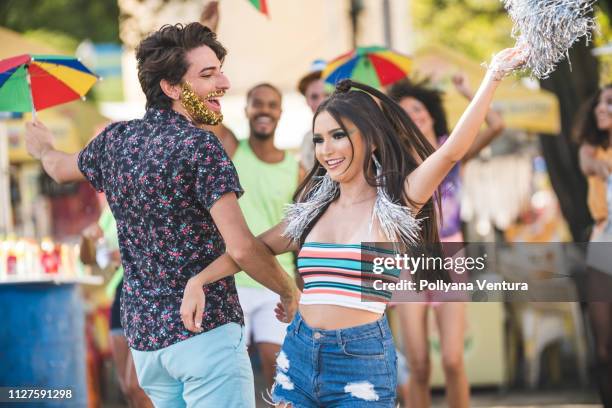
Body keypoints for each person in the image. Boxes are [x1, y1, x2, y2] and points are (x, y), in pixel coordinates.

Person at [180, 48, 525, 407]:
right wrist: (200, 279)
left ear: (370, 139)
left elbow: (451, 151)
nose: (326, 149)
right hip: (298, 353)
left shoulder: (396, 202)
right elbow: (252, 248)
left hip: (360, 362)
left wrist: (493, 76)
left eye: (338, 136)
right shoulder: (311, 210)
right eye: (319, 139)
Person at [24, 22, 298, 408]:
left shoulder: (114, 140)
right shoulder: (200, 147)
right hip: (206, 333)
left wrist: (42, 147)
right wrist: (289, 291)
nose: (224, 81)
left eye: (219, 69)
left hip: (147, 346)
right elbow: (242, 248)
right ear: (171, 88)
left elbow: (57, 167)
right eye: (208, 74)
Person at [388, 72, 505, 408]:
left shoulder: (451, 147)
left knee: (453, 360)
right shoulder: (391, 160)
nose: (414, 114)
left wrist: (469, 90)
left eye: (418, 107)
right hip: (407, 263)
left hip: (450, 257)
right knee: (419, 366)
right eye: (404, 110)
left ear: (430, 111)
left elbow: (496, 125)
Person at [232, 83, 304, 388]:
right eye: (257, 103)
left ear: (280, 112)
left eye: (271, 105)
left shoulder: (296, 168)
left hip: (277, 280)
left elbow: (301, 233)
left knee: (280, 370)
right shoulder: (230, 148)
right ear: (246, 109)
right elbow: (196, 112)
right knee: (233, 373)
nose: (264, 110)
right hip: (231, 279)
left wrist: (301, 285)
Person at [81, 198, 153, 408]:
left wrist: (127, 255)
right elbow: (88, 259)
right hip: (119, 294)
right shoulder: (110, 209)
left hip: (145, 295)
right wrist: (86, 238)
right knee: (126, 387)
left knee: (137, 386)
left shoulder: (145, 199)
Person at [576, 84, 612, 408]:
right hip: (603, 249)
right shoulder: (592, 148)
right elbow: (589, 164)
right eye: (600, 103)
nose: (601, 109)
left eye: (610, 104)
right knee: (603, 347)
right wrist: (605, 169)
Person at [297, 60, 330, 170]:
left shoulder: (354, 132)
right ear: (306, 101)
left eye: (327, 94)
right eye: (314, 97)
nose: (322, 102)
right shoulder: (307, 139)